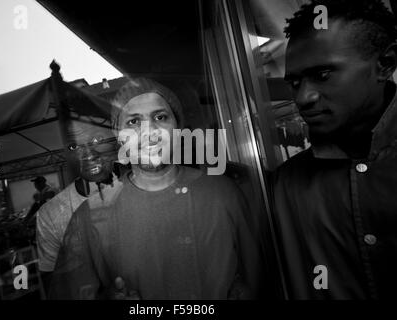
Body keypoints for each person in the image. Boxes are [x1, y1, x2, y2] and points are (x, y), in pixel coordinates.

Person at [50, 77, 266, 300]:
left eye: (160, 117)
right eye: (133, 122)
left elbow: (259, 280)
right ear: (118, 134)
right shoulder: (90, 216)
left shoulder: (222, 193)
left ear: (178, 127)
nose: (149, 131)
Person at [272, 0, 397, 299]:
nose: (304, 97)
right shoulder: (285, 185)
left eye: (323, 75)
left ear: (385, 65)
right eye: (295, 82)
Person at [36, 113, 123, 288]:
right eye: (74, 145)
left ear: (115, 143)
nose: (89, 154)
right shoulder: (51, 214)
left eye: (98, 140)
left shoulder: (145, 188)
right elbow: (52, 280)